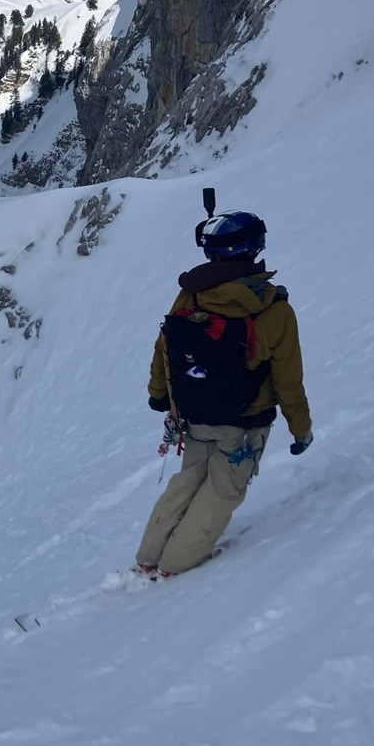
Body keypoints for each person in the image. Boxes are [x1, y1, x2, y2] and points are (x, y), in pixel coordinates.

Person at [135, 210, 312, 577]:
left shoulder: (192, 294)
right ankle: (175, 566)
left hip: (195, 414)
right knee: (222, 492)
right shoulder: (274, 310)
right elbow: (288, 379)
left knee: (188, 480)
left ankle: (149, 556)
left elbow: (165, 344)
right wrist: (301, 430)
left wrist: (159, 395)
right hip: (245, 423)